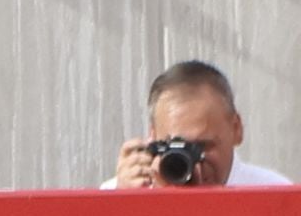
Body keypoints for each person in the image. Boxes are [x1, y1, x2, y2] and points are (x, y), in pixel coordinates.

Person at [103, 60, 291, 189]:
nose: (192, 162)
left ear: (236, 129)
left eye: (203, 146)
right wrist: (126, 204)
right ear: (152, 138)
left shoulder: (276, 196)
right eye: (175, 146)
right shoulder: (120, 193)